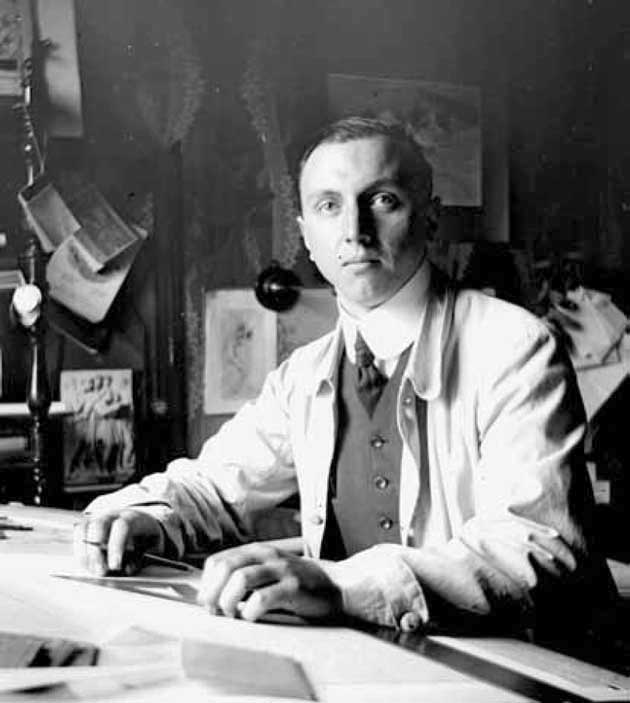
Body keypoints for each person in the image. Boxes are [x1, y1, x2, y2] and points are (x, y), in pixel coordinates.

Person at [74, 116, 615, 635]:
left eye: (383, 200)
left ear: (430, 218)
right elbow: (214, 485)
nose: (355, 231)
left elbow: (537, 547)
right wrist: (148, 514)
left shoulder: (512, 346)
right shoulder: (304, 375)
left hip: (514, 666)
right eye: (329, 206)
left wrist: (339, 586)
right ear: (307, 236)